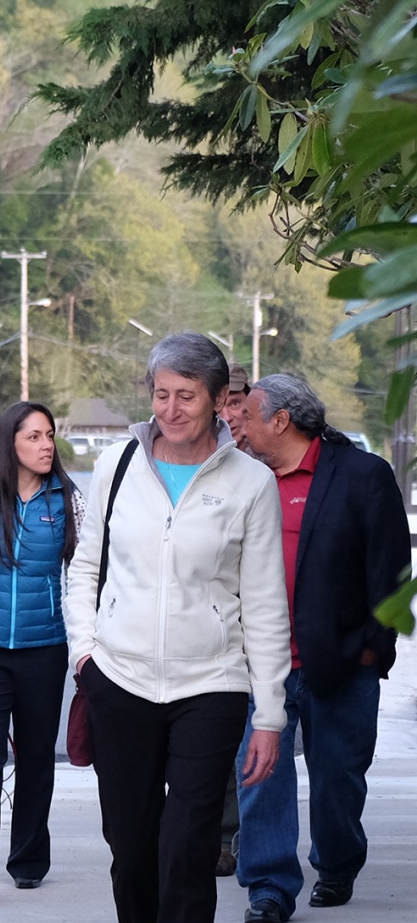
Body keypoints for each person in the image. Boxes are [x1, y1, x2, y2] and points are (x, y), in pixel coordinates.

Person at [64, 331, 290, 923]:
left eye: (185, 396)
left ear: (218, 399)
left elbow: (263, 603)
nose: (169, 409)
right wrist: (85, 655)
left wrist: (270, 712)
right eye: (160, 393)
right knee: (132, 854)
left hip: (211, 687)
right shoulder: (117, 465)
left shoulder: (249, 484)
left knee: (187, 857)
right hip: (120, 680)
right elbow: (85, 567)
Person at [236, 373, 412, 923]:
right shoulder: (245, 480)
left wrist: (371, 651)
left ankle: (336, 864)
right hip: (262, 661)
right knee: (261, 774)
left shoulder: (361, 475)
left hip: (339, 660)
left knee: (338, 777)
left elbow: (390, 569)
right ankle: (268, 885)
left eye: (249, 415)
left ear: (281, 421)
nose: (237, 425)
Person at [0, 401, 85, 899]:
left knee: (35, 758)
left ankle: (28, 859)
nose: (46, 445)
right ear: (10, 443)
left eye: (49, 435)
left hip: (44, 650)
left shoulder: (67, 499)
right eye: (34, 437)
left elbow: (86, 573)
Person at [214, 361, 252, 876]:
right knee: (220, 743)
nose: (230, 412)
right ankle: (223, 836)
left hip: (258, 617)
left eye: (237, 402)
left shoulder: (262, 461)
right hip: (215, 620)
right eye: (222, 402)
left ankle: (253, 834)